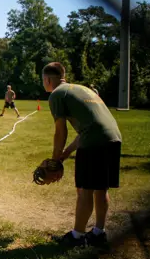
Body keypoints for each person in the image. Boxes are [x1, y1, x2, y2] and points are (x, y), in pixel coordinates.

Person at [42, 62, 122, 248]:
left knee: (85, 190)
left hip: (94, 142)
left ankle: (77, 237)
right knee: (101, 188)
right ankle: (98, 233)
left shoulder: (57, 94)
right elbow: (88, 127)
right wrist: (64, 155)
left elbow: (61, 132)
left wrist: (54, 161)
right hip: (113, 138)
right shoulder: (82, 89)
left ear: (47, 79)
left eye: (43, 80)